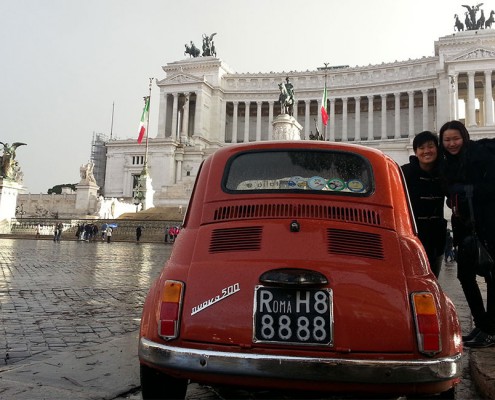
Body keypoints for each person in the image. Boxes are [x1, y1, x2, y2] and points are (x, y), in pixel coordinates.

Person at [439, 120, 495, 348]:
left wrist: (466, 191)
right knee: (465, 275)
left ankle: (489, 330)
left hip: (488, 225)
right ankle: (484, 325)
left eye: (456, 138)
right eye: (447, 140)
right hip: (465, 228)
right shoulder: (447, 164)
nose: (452, 144)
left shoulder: (480, 156)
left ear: (464, 137)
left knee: (492, 277)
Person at [401, 131, 447, 278]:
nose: (426, 151)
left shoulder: (444, 172)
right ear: (415, 151)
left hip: (435, 238)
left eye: (430, 146)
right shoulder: (403, 173)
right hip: (411, 236)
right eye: (421, 148)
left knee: (432, 279)